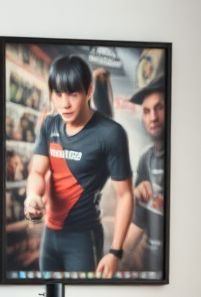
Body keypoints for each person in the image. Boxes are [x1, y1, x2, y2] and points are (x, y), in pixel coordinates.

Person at [24, 54, 133, 278]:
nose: (65, 103)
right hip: (50, 235)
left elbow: (125, 196)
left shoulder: (111, 134)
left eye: (73, 94)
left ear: (89, 90)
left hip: (83, 237)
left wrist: (115, 252)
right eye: (58, 94)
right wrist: (32, 196)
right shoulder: (50, 125)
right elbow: (37, 171)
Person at [123, 77, 167, 276]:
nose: (153, 117)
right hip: (150, 275)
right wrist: (116, 258)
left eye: (159, 108)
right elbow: (138, 223)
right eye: (147, 111)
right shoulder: (145, 159)